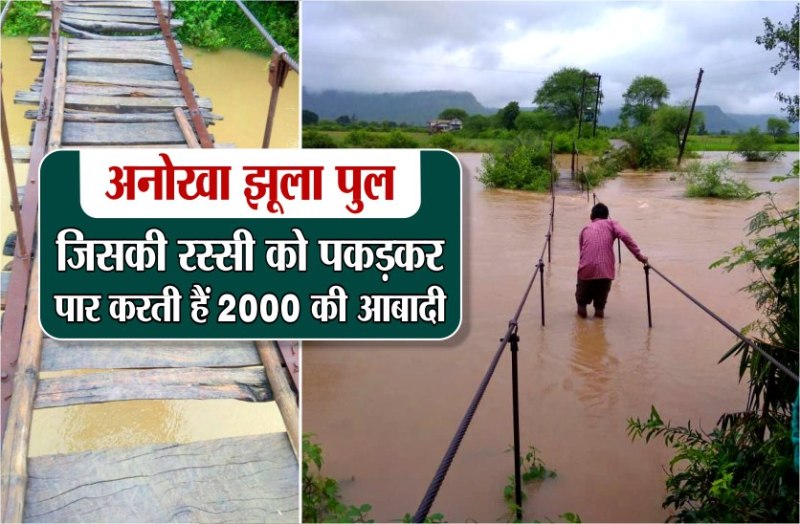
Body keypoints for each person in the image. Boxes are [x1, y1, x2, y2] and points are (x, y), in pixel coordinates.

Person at [576, 203, 647, 319]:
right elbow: (625, 236)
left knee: (581, 302)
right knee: (599, 306)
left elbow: (582, 252)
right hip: (605, 271)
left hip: (586, 269)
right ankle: (599, 327)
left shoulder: (585, 229)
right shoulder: (612, 224)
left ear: (591, 216)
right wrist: (639, 256)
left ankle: (582, 327)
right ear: (607, 215)